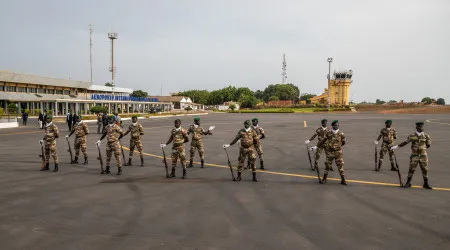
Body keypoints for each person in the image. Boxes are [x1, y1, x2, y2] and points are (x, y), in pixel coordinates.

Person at [391, 122, 432, 189]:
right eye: (419, 126)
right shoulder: (412, 135)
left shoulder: (426, 136)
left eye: (421, 126)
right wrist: (397, 146)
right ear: (416, 127)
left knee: (425, 169)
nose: (420, 128)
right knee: (411, 169)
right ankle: (408, 182)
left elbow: (428, 145)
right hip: (414, 155)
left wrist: (421, 148)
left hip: (423, 156)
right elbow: (405, 142)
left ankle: (426, 183)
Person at [317, 120, 347, 185]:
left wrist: (337, 147)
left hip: (338, 153)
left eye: (338, 125)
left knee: (340, 166)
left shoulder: (341, 133)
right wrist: (317, 146)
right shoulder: (329, 133)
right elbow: (323, 141)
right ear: (332, 126)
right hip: (330, 152)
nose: (337, 126)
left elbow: (343, 142)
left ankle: (343, 180)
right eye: (336, 125)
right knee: (327, 165)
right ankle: (324, 179)